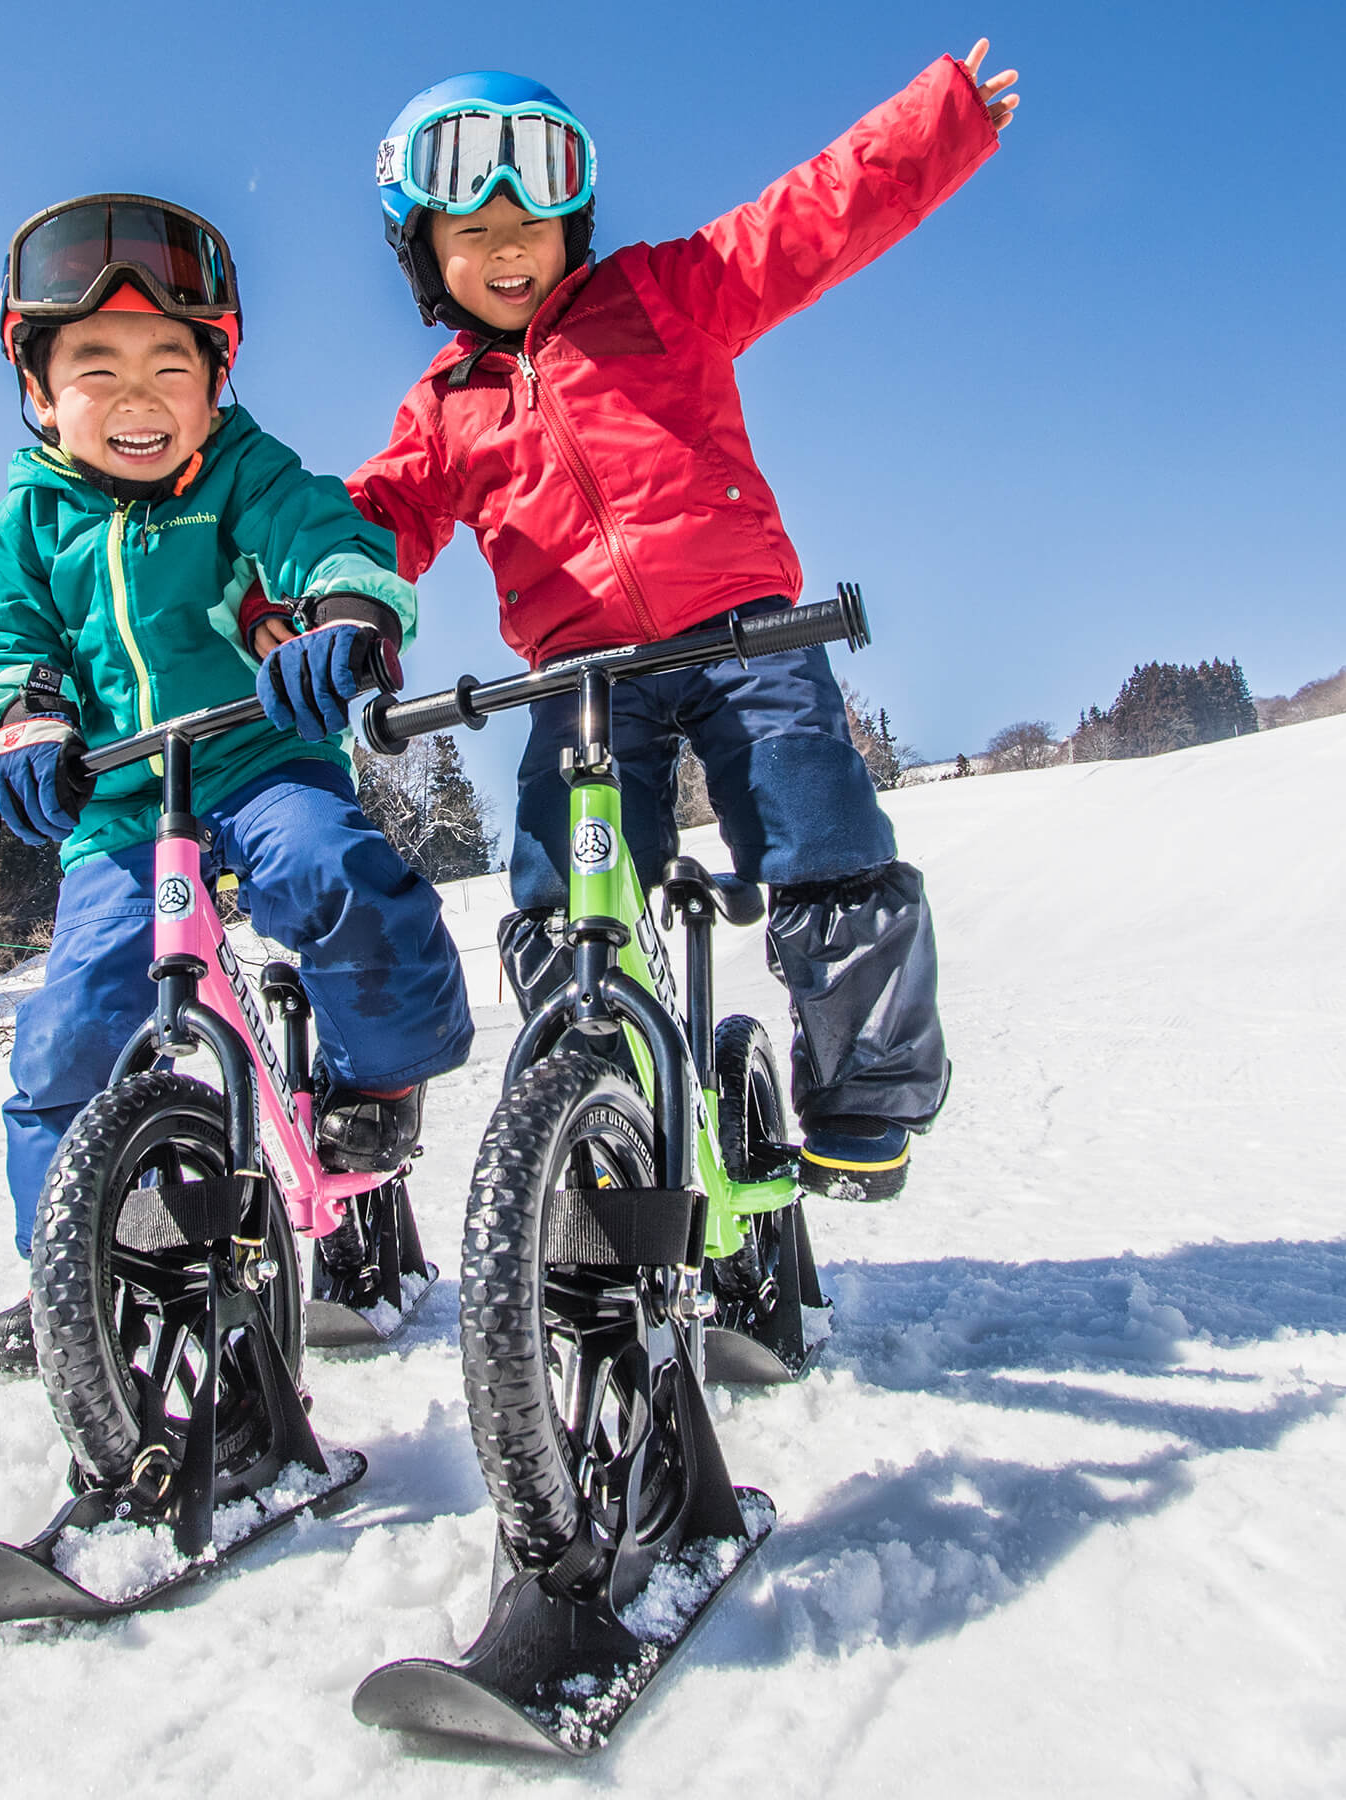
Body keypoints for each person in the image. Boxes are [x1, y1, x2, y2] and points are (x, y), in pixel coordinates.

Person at [349, 47, 1018, 1201]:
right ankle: (593, 1062)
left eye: (529, 223)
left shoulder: (662, 293)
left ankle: (862, 1091)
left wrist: (936, 122)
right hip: (584, 676)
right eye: (471, 234)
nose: (506, 251)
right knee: (562, 881)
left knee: (823, 836)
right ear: (424, 255)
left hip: (742, 638)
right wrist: (319, 606)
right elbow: (374, 517)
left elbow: (801, 223)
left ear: (575, 222)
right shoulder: (445, 409)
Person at [0, 193, 474, 1374]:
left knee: (328, 870)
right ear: (40, 391)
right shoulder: (24, 527)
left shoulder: (243, 471)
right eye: (96, 368)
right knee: (69, 1029)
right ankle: (69, 1262)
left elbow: (325, 534)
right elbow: (8, 649)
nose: (135, 398)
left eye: (166, 366)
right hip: (124, 807)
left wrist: (340, 612)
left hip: (256, 754)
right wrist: (24, 726)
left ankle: (380, 1075)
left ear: (215, 377)